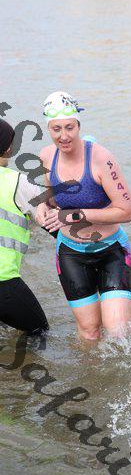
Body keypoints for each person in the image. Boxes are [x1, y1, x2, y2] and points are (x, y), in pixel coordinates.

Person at [37, 92, 131, 340]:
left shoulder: (102, 159)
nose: (64, 136)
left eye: (69, 127)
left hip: (111, 249)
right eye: (56, 129)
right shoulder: (46, 156)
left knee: (117, 331)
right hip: (70, 253)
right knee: (90, 332)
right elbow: (50, 199)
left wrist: (74, 216)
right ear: (48, 128)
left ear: (78, 125)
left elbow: (126, 211)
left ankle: (121, 313)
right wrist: (42, 207)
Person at [0, 118, 48, 335]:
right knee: (40, 332)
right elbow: (51, 221)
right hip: (4, 283)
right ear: (9, 148)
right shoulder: (18, 182)